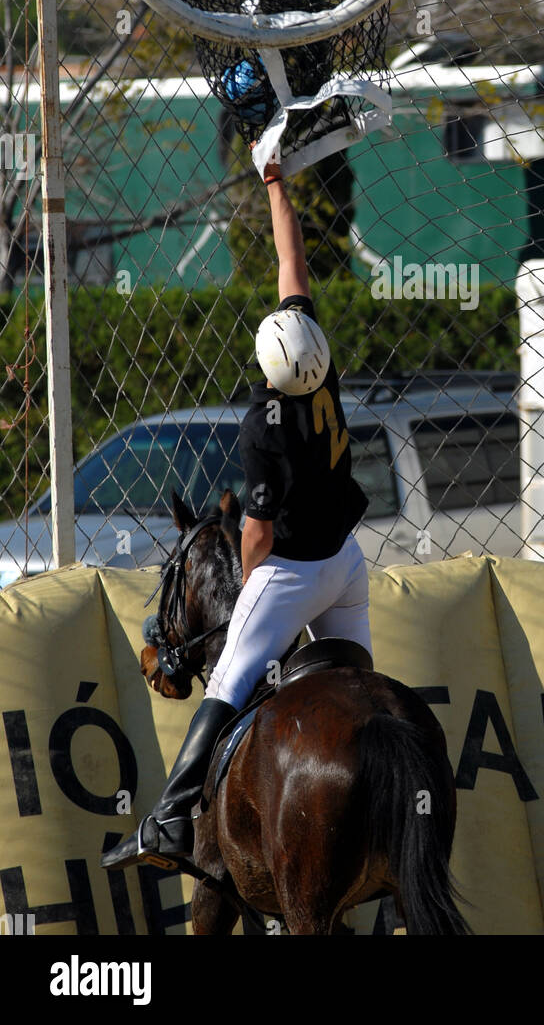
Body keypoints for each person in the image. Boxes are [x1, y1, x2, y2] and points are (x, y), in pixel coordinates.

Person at [102, 153, 371, 870]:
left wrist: (251, 591)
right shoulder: (321, 367)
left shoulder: (261, 425)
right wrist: (277, 183)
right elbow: (294, 263)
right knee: (356, 688)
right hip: (348, 564)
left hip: (295, 573)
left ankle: (166, 820)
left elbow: (254, 534)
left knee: (225, 683)